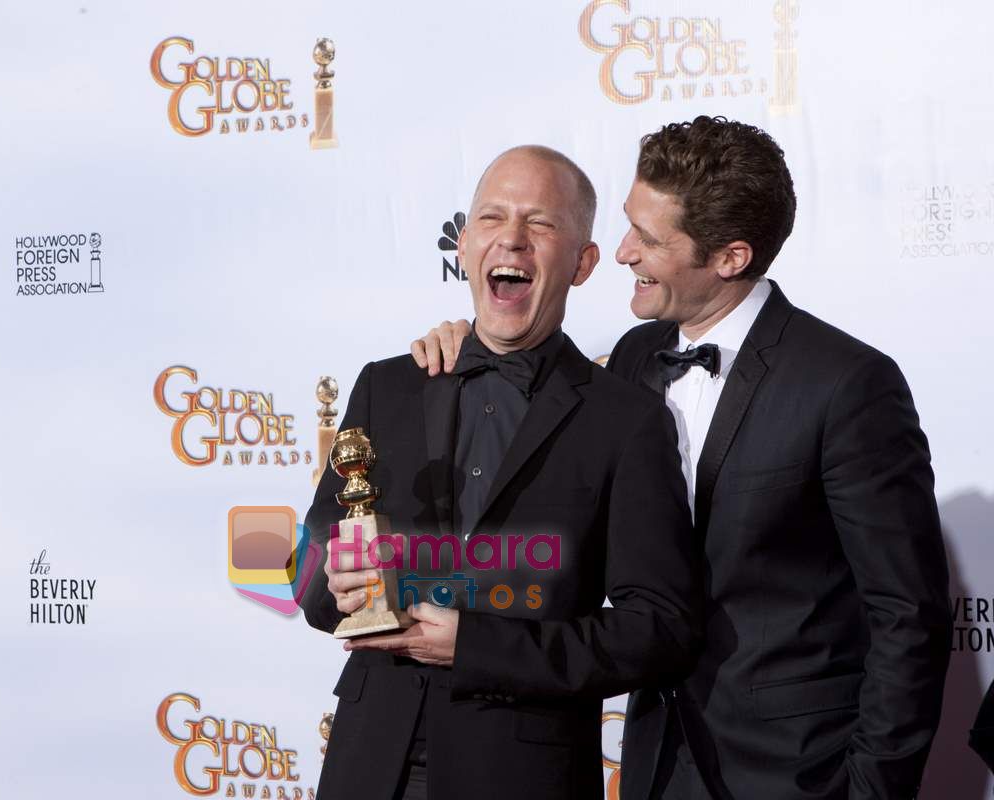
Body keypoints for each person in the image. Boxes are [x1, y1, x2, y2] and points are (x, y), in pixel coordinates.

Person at [411, 116, 952, 800]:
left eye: (649, 238)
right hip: (654, 763)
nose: (623, 251)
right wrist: (469, 347)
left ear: (728, 258)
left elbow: (907, 614)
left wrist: (870, 791)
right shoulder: (633, 359)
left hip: (797, 774)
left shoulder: (846, 384)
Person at [299, 145, 700, 800]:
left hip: (522, 775)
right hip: (367, 765)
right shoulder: (387, 387)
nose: (511, 237)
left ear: (583, 262)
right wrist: (334, 582)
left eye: (540, 224)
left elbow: (658, 630)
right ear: (463, 244)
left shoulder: (625, 421)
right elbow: (311, 575)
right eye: (491, 217)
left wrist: (478, 647)